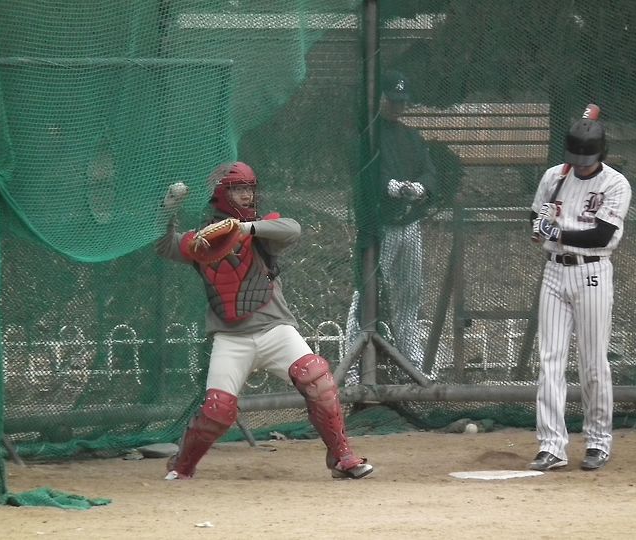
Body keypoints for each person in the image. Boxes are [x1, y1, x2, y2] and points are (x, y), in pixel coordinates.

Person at [155, 161, 373, 480]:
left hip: (275, 330)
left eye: (249, 189)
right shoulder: (202, 241)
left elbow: (292, 228)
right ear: (221, 194)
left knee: (319, 382)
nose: (246, 196)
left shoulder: (261, 231)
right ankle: (182, 466)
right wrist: (168, 211)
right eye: (237, 190)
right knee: (217, 410)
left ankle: (342, 458)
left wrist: (246, 229)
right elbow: (165, 245)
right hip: (231, 338)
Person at [528, 115, 632, 471]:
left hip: (592, 273)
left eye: (586, 160)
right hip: (554, 272)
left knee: (593, 362)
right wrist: (539, 222)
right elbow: (534, 220)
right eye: (576, 159)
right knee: (550, 360)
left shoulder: (615, 184)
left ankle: (598, 441)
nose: (580, 166)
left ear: (601, 153)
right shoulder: (553, 177)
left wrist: (555, 233)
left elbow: (600, 236)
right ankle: (551, 446)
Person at [345, 70, 439, 381]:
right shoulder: (367, 136)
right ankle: (353, 368)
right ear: (380, 98)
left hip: (409, 225)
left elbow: (430, 172)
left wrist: (421, 188)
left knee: (409, 297)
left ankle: (412, 365)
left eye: (403, 101)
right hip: (379, 227)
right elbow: (367, 176)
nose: (399, 106)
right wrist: (393, 187)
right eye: (393, 100)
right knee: (365, 295)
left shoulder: (411, 137)